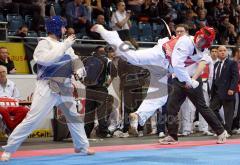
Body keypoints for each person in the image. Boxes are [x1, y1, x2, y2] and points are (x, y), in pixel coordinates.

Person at [91, 24, 227, 144]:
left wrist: (190, 77)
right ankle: (110, 35)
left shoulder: (202, 51)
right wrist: (189, 81)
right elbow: (178, 65)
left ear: (207, 44)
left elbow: (184, 64)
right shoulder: (186, 42)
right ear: (197, 34)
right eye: (200, 37)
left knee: (160, 97)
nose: (200, 41)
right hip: (159, 56)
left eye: (204, 40)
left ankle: (138, 116)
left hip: (164, 69)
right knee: (133, 58)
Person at [0, 16, 94, 162]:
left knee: (73, 118)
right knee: (32, 120)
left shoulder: (66, 45)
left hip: (65, 86)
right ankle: (9, 149)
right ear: (57, 28)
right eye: (63, 27)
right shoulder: (44, 43)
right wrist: (65, 45)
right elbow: (46, 60)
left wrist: (79, 72)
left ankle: (82, 145)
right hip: (47, 87)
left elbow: (77, 62)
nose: (64, 30)